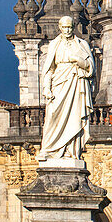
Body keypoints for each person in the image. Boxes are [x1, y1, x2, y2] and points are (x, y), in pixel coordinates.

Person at [39, 15, 94, 161]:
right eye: (64, 27)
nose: (67, 30)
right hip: (59, 82)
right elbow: (48, 69)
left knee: (75, 115)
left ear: (73, 27)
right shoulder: (54, 45)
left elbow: (91, 68)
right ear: (60, 27)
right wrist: (46, 88)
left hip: (76, 82)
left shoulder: (82, 44)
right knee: (52, 115)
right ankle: (49, 148)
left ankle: (71, 150)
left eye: (69, 27)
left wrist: (78, 60)